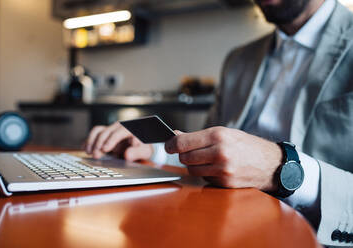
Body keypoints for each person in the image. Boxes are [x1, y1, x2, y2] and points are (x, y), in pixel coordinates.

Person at [85, 0, 353, 246]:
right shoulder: (238, 60)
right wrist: (154, 149)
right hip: (223, 229)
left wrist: (282, 168)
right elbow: (214, 154)